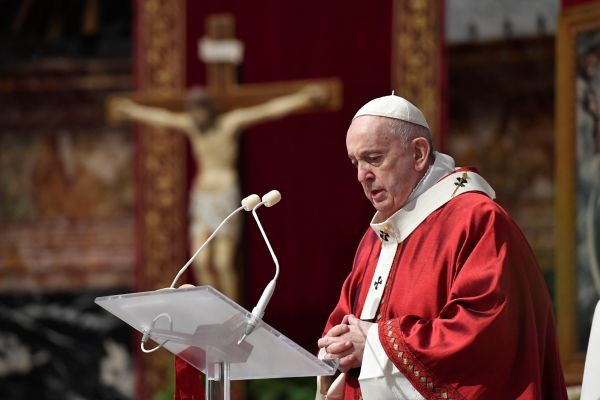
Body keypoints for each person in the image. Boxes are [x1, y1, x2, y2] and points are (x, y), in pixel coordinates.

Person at [316, 94, 567, 399]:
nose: (362, 176)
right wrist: (337, 344)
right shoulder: (377, 237)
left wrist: (374, 344)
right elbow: (346, 317)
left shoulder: (476, 219)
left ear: (419, 153)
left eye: (374, 158)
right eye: (356, 162)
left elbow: (483, 335)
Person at [114, 85, 327, 301]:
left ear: (209, 109)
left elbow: (268, 110)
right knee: (201, 260)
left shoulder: (229, 124)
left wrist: (302, 98)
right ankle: (213, 307)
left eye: (200, 109)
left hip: (224, 194)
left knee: (223, 262)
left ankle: (234, 310)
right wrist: (131, 110)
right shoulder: (192, 126)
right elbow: (161, 117)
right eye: (193, 110)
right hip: (202, 195)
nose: (197, 115)